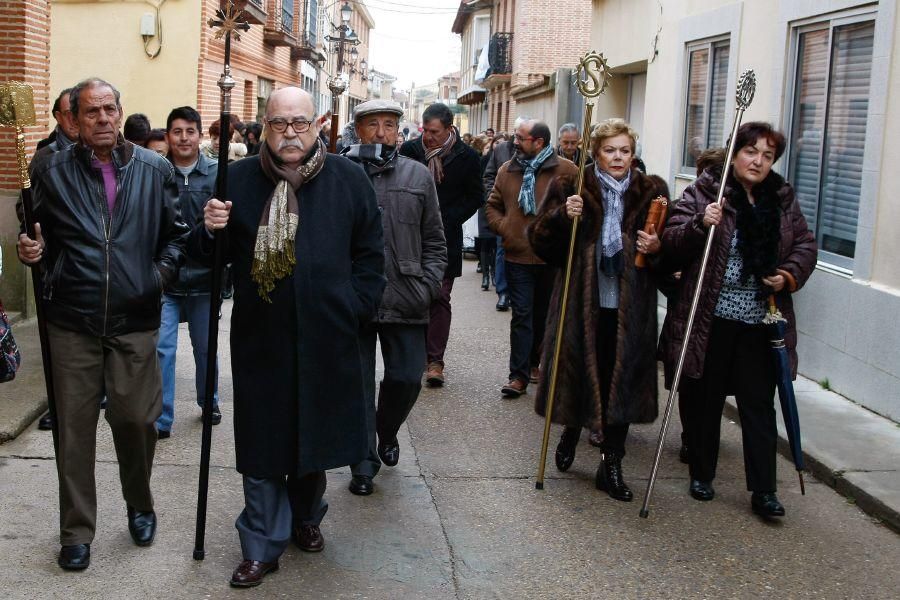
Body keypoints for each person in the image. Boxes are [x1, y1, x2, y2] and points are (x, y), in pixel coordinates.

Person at [197, 87, 385, 588]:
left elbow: (370, 253)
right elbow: (205, 262)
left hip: (328, 334)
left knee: (313, 433)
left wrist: (355, 307)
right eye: (280, 124)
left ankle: (306, 514)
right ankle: (261, 542)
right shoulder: (234, 180)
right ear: (264, 126)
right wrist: (210, 230)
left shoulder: (348, 179)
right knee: (262, 442)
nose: (291, 133)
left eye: (300, 123)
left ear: (318, 125)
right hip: (263, 337)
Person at [17, 78, 188, 569]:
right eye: (91, 112)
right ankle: (76, 530)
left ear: (122, 111)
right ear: (74, 119)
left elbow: (177, 236)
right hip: (72, 318)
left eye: (110, 109)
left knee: (136, 420)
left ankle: (140, 502)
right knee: (73, 430)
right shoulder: (49, 169)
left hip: (135, 318)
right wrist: (32, 253)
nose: (104, 119)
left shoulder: (155, 170)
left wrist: (155, 279)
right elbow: (33, 232)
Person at [658, 122, 817, 518]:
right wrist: (700, 224)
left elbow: (805, 244)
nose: (758, 161)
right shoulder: (703, 193)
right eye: (751, 152)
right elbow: (671, 245)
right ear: (734, 153)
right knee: (704, 399)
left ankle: (764, 490)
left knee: (759, 404)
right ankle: (702, 472)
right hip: (709, 318)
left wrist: (787, 275)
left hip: (760, 320)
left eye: (767, 155)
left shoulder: (781, 198)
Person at [528, 118, 669, 501]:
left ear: (633, 153)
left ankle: (612, 464)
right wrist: (562, 218)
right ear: (596, 153)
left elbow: (666, 250)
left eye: (624, 150)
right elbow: (540, 243)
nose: (618, 157)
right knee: (580, 376)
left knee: (619, 384)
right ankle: (571, 429)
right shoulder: (571, 187)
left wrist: (656, 248)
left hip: (630, 309)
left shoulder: (651, 191)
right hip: (580, 304)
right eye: (610, 150)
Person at [341, 99, 447, 496]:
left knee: (405, 376)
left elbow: (436, 239)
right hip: (354, 297)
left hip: (407, 294)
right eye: (372, 125)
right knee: (358, 384)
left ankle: (387, 430)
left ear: (400, 131)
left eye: (389, 124)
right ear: (359, 130)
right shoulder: (341, 173)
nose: (381, 132)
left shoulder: (417, 175)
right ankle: (363, 462)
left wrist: (428, 283)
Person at [486, 120, 578, 398]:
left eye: (520, 138)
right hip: (517, 256)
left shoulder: (567, 170)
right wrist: (507, 228)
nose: (515, 142)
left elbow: (582, 208)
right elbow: (492, 205)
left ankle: (538, 364)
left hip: (551, 257)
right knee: (522, 315)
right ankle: (518, 376)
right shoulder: (507, 169)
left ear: (538, 142)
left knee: (544, 316)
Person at [400, 103, 482, 388]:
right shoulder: (410, 152)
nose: (429, 137)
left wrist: (448, 218)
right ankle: (415, 356)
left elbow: (475, 196)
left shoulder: (468, 157)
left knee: (439, 295)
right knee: (412, 295)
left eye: (435, 132)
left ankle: (435, 361)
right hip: (411, 235)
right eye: (425, 131)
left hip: (447, 236)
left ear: (449, 129)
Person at [154, 106, 221, 440]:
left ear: (200, 136)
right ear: (168, 136)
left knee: (204, 347)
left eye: (189, 131)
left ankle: (209, 400)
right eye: (177, 131)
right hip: (165, 278)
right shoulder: (156, 172)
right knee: (162, 348)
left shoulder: (217, 174)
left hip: (204, 278)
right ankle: (161, 417)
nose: (183, 138)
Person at [20, 87, 78, 432]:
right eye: (70, 113)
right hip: (56, 262)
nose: (75, 120)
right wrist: (32, 233)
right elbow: (26, 206)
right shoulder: (45, 155)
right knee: (58, 342)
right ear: (59, 116)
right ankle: (58, 405)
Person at [484, 124, 525, 311]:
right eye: (516, 135)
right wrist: (495, 197)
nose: (518, 140)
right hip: (506, 212)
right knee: (502, 250)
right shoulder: (501, 149)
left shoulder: (538, 153)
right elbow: (489, 176)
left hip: (529, 214)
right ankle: (503, 292)